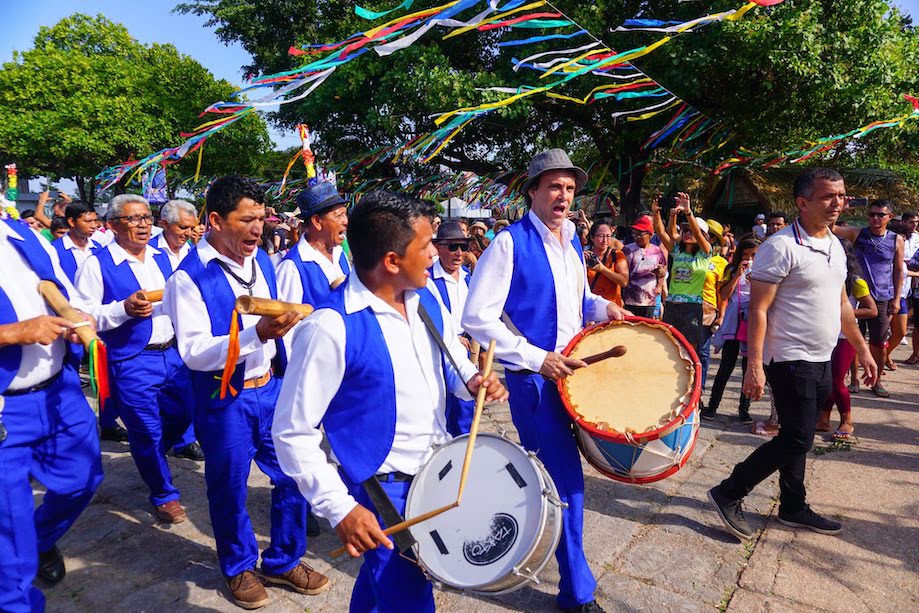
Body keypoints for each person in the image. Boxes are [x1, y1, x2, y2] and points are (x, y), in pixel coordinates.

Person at [272, 191, 506, 612]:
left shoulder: (426, 300)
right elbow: (291, 432)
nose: (436, 254)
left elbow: (449, 361)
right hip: (384, 491)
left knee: (382, 588)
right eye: (426, 246)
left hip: (436, 474)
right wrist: (340, 508)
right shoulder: (330, 328)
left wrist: (470, 380)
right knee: (412, 599)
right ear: (392, 262)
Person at [463, 149, 631, 612]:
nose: (563, 195)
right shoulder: (508, 243)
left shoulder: (572, 239)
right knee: (567, 486)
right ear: (533, 191)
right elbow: (477, 317)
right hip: (534, 385)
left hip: (576, 375)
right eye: (554, 186)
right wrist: (537, 359)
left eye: (570, 188)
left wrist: (605, 308)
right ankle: (577, 593)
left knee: (568, 480)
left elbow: (578, 300)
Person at [163, 176, 328, 609]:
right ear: (215, 220)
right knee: (229, 488)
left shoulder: (265, 264)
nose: (258, 228)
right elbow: (195, 352)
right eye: (247, 219)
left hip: (270, 390)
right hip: (224, 400)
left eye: (261, 218)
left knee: (293, 473)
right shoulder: (188, 278)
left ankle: (284, 559)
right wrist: (255, 334)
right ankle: (238, 568)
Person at [708, 168, 878, 541]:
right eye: (828, 196)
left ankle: (792, 505)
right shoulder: (781, 246)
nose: (838, 203)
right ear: (802, 202)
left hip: (822, 356)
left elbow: (841, 306)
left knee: (799, 434)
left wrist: (863, 349)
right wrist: (754, 365)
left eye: (842, 195)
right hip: (789, 358)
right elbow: (759, 309)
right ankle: (729, 492)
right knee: (798, 439)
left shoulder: (834, 244)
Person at [0, 216, 103, 613]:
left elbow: (65, 294)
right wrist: (12, 332)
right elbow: (20, 327)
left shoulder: (22, 233)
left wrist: (79, 321)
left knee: (83, 478)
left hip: (59, 391)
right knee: (8, 524)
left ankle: (40, 539)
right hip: (6, 407)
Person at [75, 194, 194, 523]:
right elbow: (85, 315)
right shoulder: (96, 265)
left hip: (173, 354)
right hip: (132, 360)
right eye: (133, 219)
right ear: (112, 225)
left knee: (185, 413)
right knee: (145, 429)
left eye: (146, 218)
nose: (143, 225)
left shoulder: (163, 258)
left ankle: (152, 455)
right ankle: (162, 492)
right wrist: (122, 310)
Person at [832, 199, 904, 398]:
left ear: (890, 217)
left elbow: (898, 270)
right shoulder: (858, 233)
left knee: (879, 344)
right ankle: (854, 378)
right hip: (856, 295)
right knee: (853, 339)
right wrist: (842, 208)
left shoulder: (896, 239)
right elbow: (830, 229)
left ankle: (877, 379)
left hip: (882, 297)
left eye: (881, 215)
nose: (875, 218)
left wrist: (896, 298)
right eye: (872, 214)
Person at [151, 198, 204, 461]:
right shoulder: (149, 253)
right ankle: (156, 451)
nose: (188, 234)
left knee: (188, 398)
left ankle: (184, 440)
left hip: (187, 334)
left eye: (191, 228)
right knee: (168, 402)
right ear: (164, 224)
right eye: (182, 228)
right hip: (159, 337)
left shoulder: (193, 253)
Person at [816, 239, 877, 439]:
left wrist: (846, 313)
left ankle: (846, 420)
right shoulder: (821, 276)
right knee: (825, 380)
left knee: (836, 381)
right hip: (823, 334)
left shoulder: (856, 282)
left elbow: (872, 310)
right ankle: (823, 418)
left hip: (845, 336)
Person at [703, 236, 760, 422]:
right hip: (735, 324)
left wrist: (756, 282)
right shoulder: (732, 269)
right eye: (746, 255)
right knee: (725, 367)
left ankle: (744, 409)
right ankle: (713, 406)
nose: (750, 259)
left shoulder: (765, 271)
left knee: (747, 368)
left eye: (754, 255)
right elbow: (724, 294)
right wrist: (737, 276)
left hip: (753, 322)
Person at [429, 220, 475, 435]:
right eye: (452, 246)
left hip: (467, 348)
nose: (458, 253)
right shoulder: (428, 278)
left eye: (463, 247)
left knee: (465, 408)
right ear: (438, 247)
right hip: (440, 349)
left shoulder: (468, 277)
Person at [652, 193, 713, 352]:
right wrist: (656, 212)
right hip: (672, 306)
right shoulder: (676, 252)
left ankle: (692, 376)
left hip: (692, 308)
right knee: (668, 346)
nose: (688, 232)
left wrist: (688, 212)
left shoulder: (705, 254)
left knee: (689, 349)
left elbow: (698, 234)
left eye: (691, 231)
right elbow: (660, 232)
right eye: (685, 229)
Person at [276, 182, 351, 313]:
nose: (345, 221)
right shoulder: (292, 268)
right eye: (339, 216)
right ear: (317, 221)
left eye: (345, 214)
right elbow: (286, 324)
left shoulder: (339, 254)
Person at [884, 215, 916, 368]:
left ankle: (885, 355)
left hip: (901, 297)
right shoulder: (886, 256)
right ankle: (880, 359)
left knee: (900, 333)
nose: (901, 243)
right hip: (886, 297)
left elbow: (905, 273)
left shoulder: (902, 259)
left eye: (904, 240)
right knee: (882, 334)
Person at [622, 215, 667, 318]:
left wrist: (659, 284)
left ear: (650, 235)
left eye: (640, 234)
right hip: (629, 300)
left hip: (649, 300)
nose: (636, 237)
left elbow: (663, 270)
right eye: (634, 233)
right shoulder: (627, 250)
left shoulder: (657, 251)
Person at [52, 204, 103, 283]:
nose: (94, 226)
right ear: (72, 222)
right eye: (88, 221)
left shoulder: (99, 248)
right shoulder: (54, 250)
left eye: (95, 221)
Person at [584, 219, 628, 306]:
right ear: (592, 237)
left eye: (608, 236)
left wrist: (603, 269)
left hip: (612, 306)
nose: (605, 240)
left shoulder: (617, 255)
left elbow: (624, 282)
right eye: (600, 236)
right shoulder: (586, 256)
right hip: (591, 306)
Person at [154, 199, 197, 269]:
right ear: (165, 224)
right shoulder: (146, 251)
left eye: (192, 229)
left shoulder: (194, 252)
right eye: (183, 227)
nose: (188, 233)